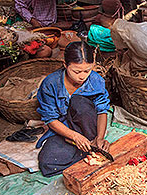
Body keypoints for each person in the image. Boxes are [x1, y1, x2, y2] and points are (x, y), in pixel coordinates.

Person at [36, 41, 111, 177]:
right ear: (65, 65)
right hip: (64, 129)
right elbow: (51, 119)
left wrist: (100, 137)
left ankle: (91, 143)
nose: (82, 76)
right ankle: (86, 149)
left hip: (87, 125)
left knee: (79, 102)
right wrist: (74, 137)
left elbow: (102, 110)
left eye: (87, 70)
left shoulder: (95, 80)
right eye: (76, 71)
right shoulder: (51, 84)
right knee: (48, 163)